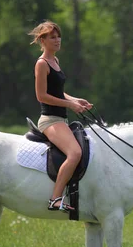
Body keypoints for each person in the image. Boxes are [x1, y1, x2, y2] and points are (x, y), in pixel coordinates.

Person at [28, 21, 93, 212]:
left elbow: (57, 93)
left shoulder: (55, 61)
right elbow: (42, 96)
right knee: (75, 153)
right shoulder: (41, 64)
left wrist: (76, 100)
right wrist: (69, 105)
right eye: (52, 37)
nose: (57, 40)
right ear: (42, 40)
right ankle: (55, 199)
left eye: (58, 36)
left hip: (61, 119)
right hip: (50, 120)